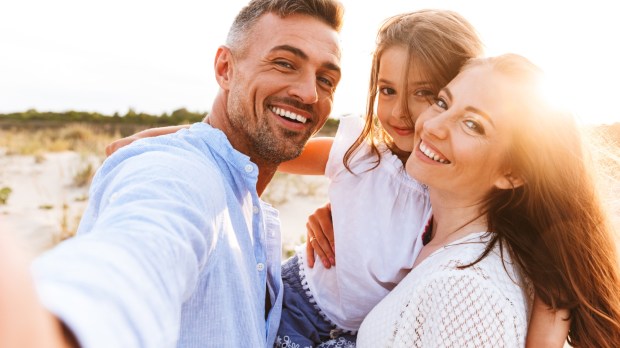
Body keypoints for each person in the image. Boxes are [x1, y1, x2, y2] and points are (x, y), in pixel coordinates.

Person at [106, 11, 573, 347]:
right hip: (302, 299)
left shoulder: (451, 196)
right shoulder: (362, 154)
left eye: (428, 95)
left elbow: (546, 244)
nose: (404, 113)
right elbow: (263, 146)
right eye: (387, 91)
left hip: (356, 329)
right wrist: (159, 144)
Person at [2, 0, 345, 347]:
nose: (309, 92)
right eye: (284, 64)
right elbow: (142, 249)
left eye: (326, 79)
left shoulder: (245, 196)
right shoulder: (182, 174)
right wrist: (55, 328)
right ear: (225, 68)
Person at [351, 53, 620, 347]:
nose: (433, 126)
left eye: (472, 125)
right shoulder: (432, 236)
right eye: (442, 102)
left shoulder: (464, 289)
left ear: (512, 173)